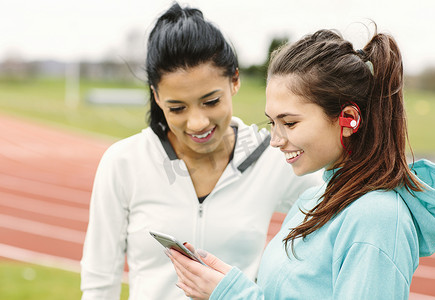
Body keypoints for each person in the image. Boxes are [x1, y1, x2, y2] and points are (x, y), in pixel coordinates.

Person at [167, 28, 435, 299]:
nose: (275, 140)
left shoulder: (377, 218)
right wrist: (226, 284)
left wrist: (232, 295)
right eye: (272, 122)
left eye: (289, 122)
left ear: (349, 119)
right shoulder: (311, 199)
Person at [80, 3, 322, 299]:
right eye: (177, 108)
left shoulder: (272, 157)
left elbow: (341, 203)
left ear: (234, 80)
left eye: (210, 102)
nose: (197, 123)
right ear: (156, 96)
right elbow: (99, 279)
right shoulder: (124, 163)